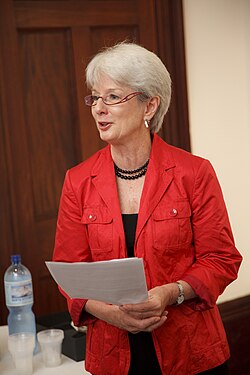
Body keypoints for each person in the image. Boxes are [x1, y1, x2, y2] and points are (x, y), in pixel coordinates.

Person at [53, 42, 242, 375]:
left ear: (149, 106)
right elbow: (69, 272)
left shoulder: (194, 173)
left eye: (112, 97)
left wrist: (171, 292)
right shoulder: (78, 180)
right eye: (95, 97)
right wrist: (107, 312)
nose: (98, 108)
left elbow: (222, 259)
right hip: (112, 356)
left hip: (191, 351)